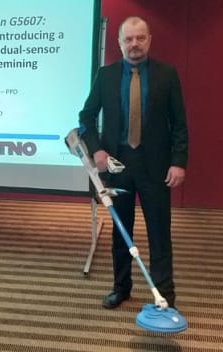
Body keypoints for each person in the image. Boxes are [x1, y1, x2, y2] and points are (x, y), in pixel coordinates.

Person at [78, 16, 188, 309]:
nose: (134, 44)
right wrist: (97, 150)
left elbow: (179, 123)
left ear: (149, 40)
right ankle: (121, 288)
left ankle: (165, 295)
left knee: (159, 233)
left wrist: (178, 162)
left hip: (156, 168)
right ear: (119, 43)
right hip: (118, 167)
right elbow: (86, 117)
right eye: (128, 39)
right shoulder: (106, 75)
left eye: (140, 38)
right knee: (121, 231)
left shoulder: (167, 74)